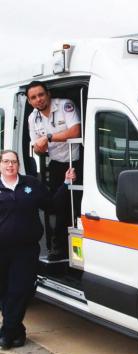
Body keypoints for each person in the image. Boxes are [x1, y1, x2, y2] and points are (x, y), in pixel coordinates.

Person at [0, 149, 75, 349]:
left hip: (25, 250)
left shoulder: (31, 184)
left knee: (20, 290)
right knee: (4, 291)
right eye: (6, 161)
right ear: (0, 164)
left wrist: (66, 184)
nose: (10, 165)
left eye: (13, 161)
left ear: (18, 164)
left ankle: (6, 333)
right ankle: (17, 330)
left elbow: (51, 205)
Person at [26, 81, 81, 261]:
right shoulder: (32, 118)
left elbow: (75, 131)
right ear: (29, 101)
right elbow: (36, 147)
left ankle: (81, 251)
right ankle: (60, 250)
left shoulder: (65, 105)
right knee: (58, 207)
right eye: (33, 97)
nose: (38, 99)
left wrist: (48, 138)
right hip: (57, 165)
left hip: (78, 162)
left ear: (48, 94)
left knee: (79, 207)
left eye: (41, 94)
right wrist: (39, 148)